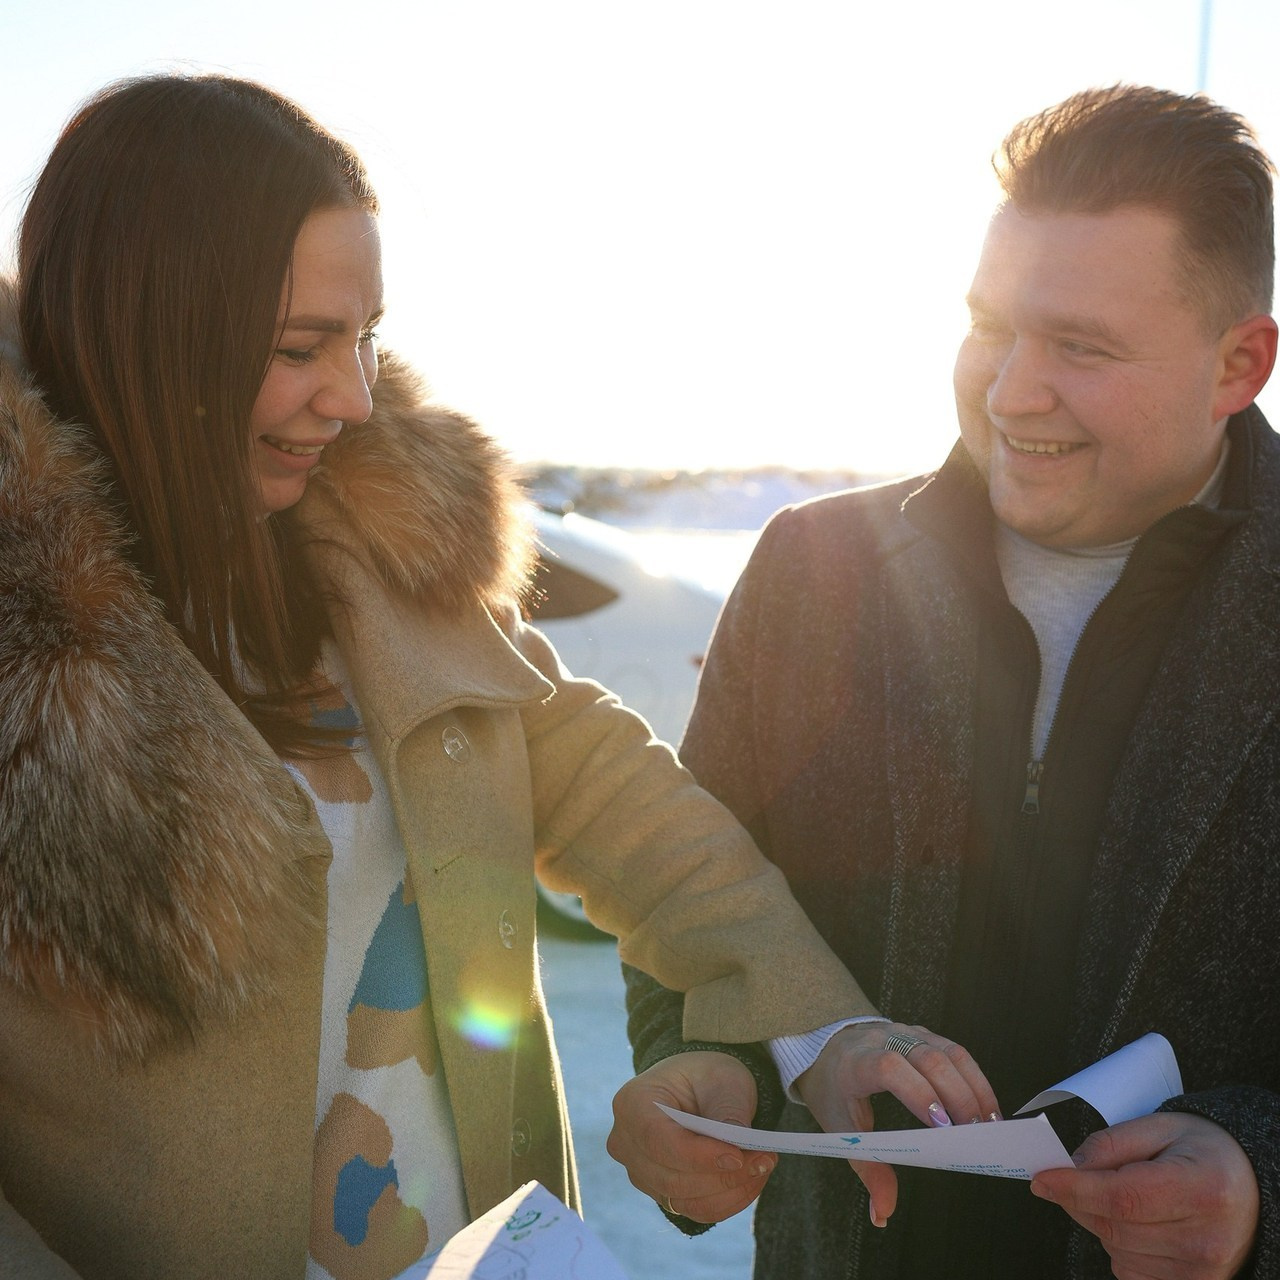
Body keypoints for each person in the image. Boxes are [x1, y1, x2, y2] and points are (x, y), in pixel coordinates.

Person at [0, 74, 997, 1279]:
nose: (352, 397)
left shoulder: (374, 563)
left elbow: (613, 791)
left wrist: (820, 1025)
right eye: (298, 347)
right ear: (143, 324)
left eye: (365, 340)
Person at [609, 83, 1280, 1279]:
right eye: (988, 325)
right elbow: (695, 909)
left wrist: (1258, 1187)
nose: (1009, 389)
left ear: (1238, 362)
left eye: (1079, 345)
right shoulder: (813, 566)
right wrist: (704, 1066)